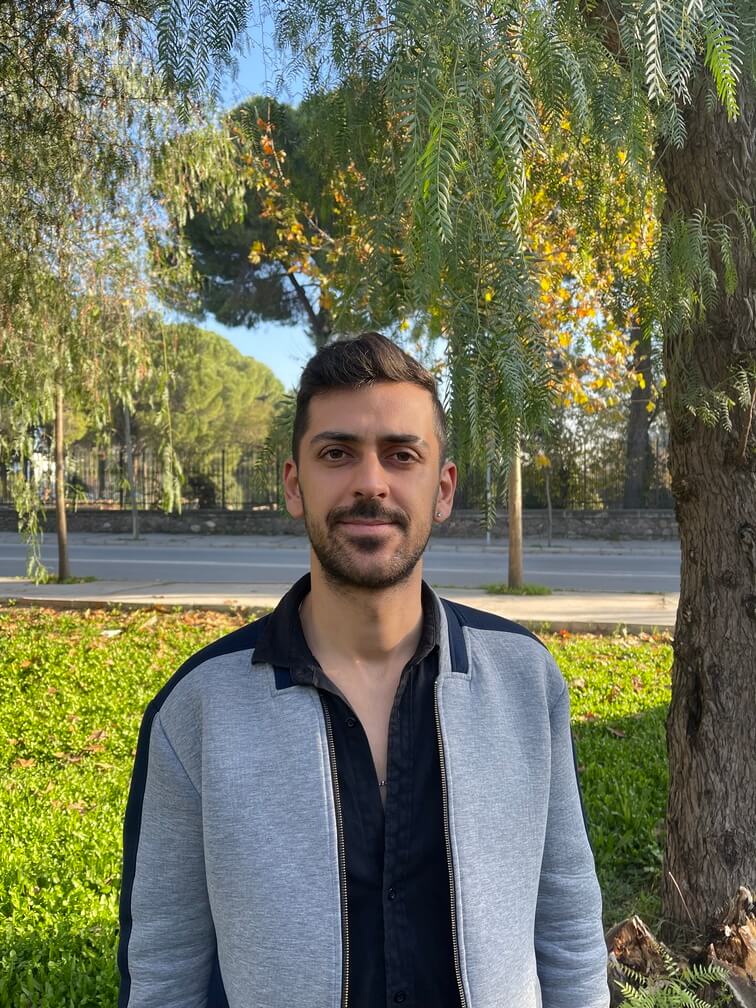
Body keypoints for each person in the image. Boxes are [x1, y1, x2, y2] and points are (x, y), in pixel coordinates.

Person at [117, 331, 610, 1008]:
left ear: (442, 490)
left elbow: (568, 930)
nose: (370, 483)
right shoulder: (199, 708)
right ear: (295, 485)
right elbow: (165, 967)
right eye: (337, 453)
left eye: (401, 455)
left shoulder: (525, 682)